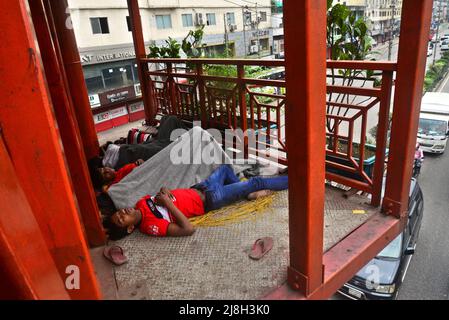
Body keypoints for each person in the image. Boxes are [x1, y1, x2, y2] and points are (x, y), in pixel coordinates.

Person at [103, 165, 288, 240]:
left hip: (201, 187)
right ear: (129, 228)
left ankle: (244, 193)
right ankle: (295, 179)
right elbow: (188, 229)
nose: (122, 213)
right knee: (257, 182)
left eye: (118, 213)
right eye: (121, 219)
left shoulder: (140, 203)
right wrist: (168, 203)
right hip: (210, 199)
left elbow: (166, 196)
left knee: (224, 167)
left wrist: (165, 192)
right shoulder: (149, 226)